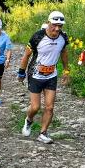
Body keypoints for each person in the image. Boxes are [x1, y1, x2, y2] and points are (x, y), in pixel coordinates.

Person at [17, 11, 70, 144]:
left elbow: (64, 53)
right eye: (54, 25)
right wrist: (21, 72)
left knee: (50, 107)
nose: (57, 28)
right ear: (48, 23)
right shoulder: (37, 37)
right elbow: (26, 55)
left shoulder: (63, 38)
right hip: (35, 75)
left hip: (51, 75)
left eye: (60, 26)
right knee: (35, 107)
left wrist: (66, 70)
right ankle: (28, 120)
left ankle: (43, 133)